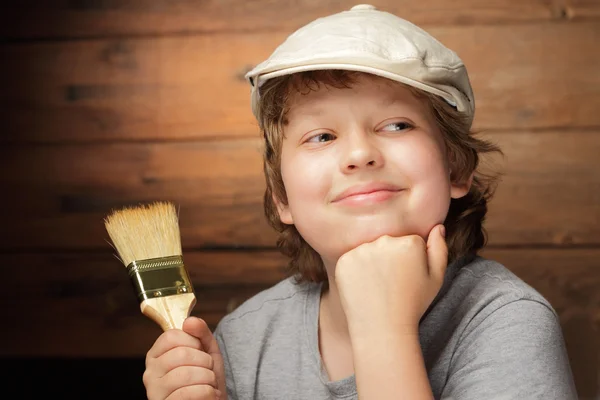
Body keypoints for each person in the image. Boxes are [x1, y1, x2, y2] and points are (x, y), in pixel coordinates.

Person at [141, 4, 578, 400]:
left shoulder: (506, 321)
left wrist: (384, 328)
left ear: (457, 168)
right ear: (282, 199)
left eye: (397, 125)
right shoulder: (244, 340)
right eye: (322, 136)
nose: (359, 154)